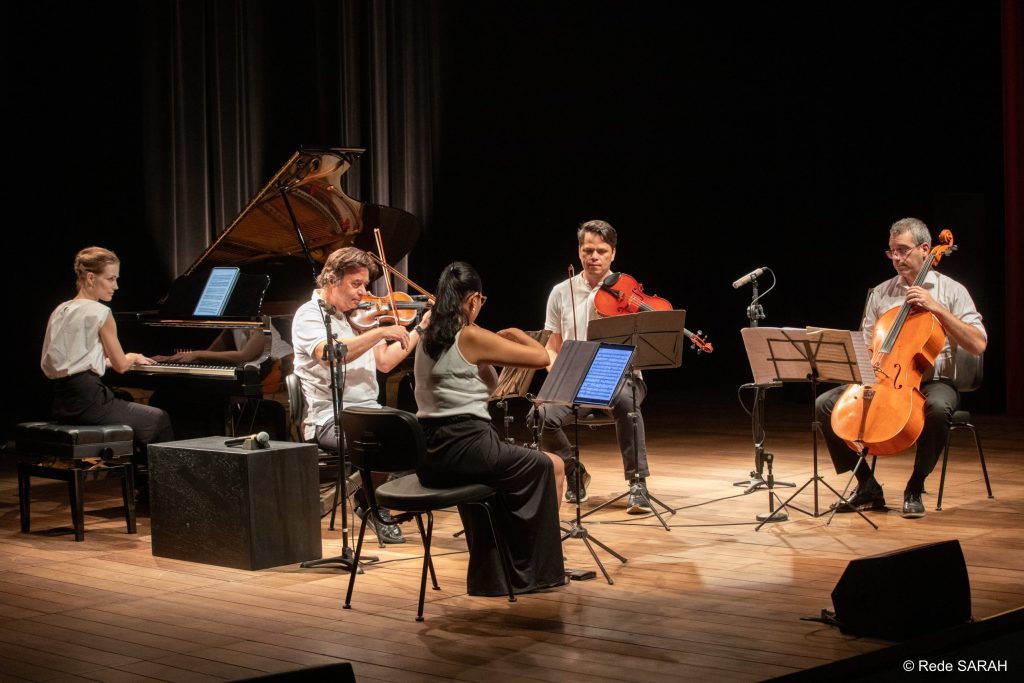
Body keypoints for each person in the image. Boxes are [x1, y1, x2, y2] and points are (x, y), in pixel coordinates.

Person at [816, 218, 988, 518]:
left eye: (903, 251)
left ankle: (915, 485)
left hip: (934, 380)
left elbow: (978, 344)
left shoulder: (952, 291)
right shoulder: (881, 293)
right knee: (825, 404)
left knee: (936, 408)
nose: (896, 259)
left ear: (926, 249)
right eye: (892, 251)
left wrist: (937, 308)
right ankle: (867, 485)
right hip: (884, 376)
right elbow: (867, 344)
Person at [415, 261, 566, 596]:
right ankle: (537, 570)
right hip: (466, 445)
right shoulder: (469, 334)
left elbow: (477, 383)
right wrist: (514, 333)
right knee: (550, 465)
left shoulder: (427, 337)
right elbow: (541, 357)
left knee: (504, 478)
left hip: (431, 450)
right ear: (474, 300)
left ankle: (500, 575)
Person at [291, 246, 429, 543]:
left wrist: (422, 328)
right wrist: (380, 332)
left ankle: (370, 499)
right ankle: (374, 504)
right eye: (356, 284)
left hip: (368, 410)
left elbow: (385, 361)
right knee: (387, 438)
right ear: (331, 279)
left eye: (366, 285)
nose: (364, 293)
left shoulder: (354, 319)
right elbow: (331, 354)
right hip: (330, 417)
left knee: (418, 429)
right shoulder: (308, 315)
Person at [533, 219, 652, 513]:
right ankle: (574, 472)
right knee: (539, 414)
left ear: (613, 253)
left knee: (628, 402)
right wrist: (559, 375)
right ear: (579, 251)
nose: (594, 257)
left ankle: (638, 484)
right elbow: (551, 345)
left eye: (601, 250)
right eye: (588, 250)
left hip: (620, 377)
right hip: (575, 380)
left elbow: (643, 342)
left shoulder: (627, 291)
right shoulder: (560, 292)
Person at [40, 247, 175, 495]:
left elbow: (71, 358)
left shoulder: (61, 310)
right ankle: (163, 494)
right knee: (158, 419)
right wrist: (132, 356)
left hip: (62, 402)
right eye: (111, 279)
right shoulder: (101, 312)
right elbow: (123, 365)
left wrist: (106, 361)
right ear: (91, 278)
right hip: (89, 402)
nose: (116, 286)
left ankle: (139, 482)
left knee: (125, 400)